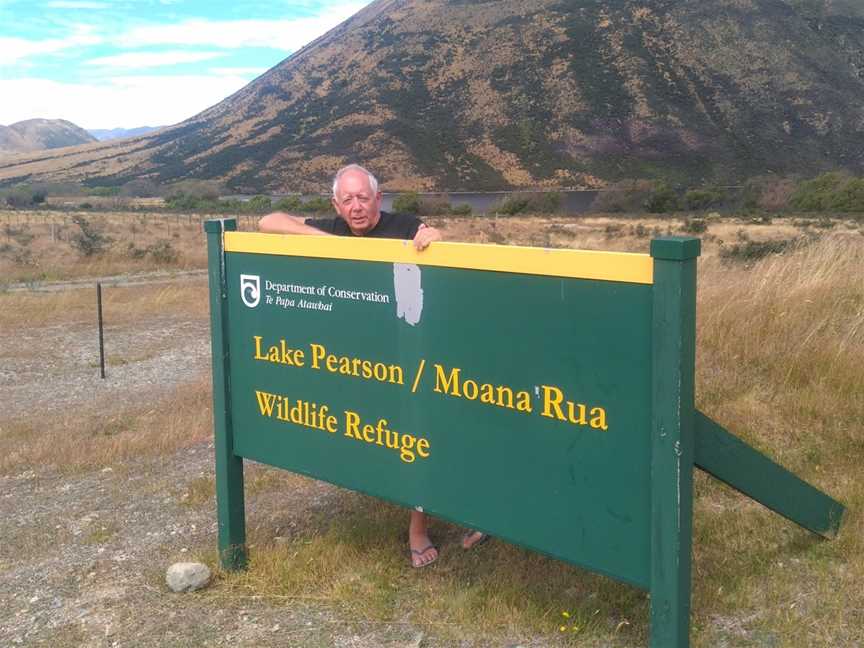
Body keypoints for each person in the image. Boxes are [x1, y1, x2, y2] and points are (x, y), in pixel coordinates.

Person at [259, 164, 488, 567]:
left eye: (363, 197)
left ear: (378, 199)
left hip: (414, 349)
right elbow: (267, 221)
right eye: (347, 199)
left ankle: (421, 528)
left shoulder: (401, 224)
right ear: (336, 204)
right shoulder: (334, 227)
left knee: (421, 430)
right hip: (368, 357)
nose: (356, 206)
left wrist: (433, 237)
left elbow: (431, 238)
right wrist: (324, 239)